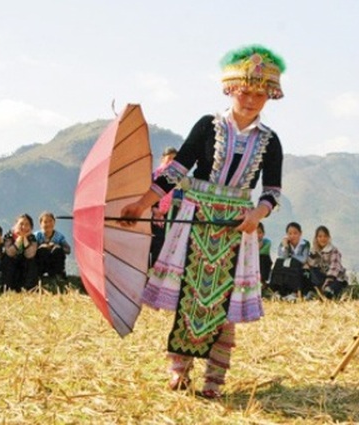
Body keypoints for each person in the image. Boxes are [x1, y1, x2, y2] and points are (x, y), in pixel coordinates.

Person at [119, 44, 285, 398]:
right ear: (230, 88)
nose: (252, 98)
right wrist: (143, 204)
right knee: (189, 297)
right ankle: (179, 372)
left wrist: (257, 214)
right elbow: (177, 171)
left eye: (260, 93)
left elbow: (271, 191)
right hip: (196, 218)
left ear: (270, 96)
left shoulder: (270, 142)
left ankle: (214, 380)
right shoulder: (208, 127)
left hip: (237, 227)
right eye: (245, 90)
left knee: (222, 303)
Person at [149, 146, 179, 267]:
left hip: (173, 216)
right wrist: (154, 208)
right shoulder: (153, 177)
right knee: (157, 243)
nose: (171, 162)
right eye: (169, 158)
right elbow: (146, 194)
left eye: (174, 160)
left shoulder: (179, 180)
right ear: (163, 159)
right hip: (155, 216)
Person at [304, 225, 348, 299]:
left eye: (325, 236)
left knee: (329, 291)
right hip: (322, 277)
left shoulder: (333, 250)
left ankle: (326, 293)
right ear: (316, 238)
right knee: (309, 271)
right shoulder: (314, 251)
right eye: (320, 236)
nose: (322, 239)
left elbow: (335, 267)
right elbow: (311, 264)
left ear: (328, 238)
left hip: (335, 278)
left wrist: (328, 281)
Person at [270, 221, 310, 300]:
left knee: (294, 263)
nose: (292, 236)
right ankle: (278, 291)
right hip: (287, 266)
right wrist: (285, 246)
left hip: (298, 267)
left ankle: (294, 292)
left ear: (300, 233)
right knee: (279, 263)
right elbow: (282, 256)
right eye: (290, 233)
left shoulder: (305, 244)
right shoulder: (284, 242)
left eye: (295, 233)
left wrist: (291, 256)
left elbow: (303, 259)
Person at [1, 213, 39, 292]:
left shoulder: (32, 238)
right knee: (7, 259)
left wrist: (24, 238)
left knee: (32, 261)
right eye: (21, 224)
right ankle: (8, 288)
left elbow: (30, 255)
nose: (24, 227)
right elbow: (10, 253)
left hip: (25, 263)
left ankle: (29, 289)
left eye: (27, 224)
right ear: (15, 225)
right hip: (12, 262)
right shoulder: (9, 236)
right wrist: (18, 241)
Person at [35, 211, 72, 282]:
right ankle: (38, 275)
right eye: (45, 222)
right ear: (40, 224)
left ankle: (58, 274)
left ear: (54, 222)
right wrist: (40, 247)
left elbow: (68, 250)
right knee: (43, 250)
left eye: (50, 221)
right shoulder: (37, 236)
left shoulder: (59, 236)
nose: (48, 224)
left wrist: (57, 246)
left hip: (54, 264)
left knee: (57, 250)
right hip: (40, 263)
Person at [256, 222, 273, 289]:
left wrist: (257, 249)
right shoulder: (250, 243)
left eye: (259, 233)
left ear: (263, 233)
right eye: (255, 233)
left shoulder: (267, 241)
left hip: (263, 261)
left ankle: (262, 281)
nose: (257, 235)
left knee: (263, 258)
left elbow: (264, 251)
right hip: (254, 261)